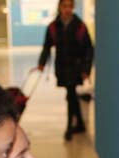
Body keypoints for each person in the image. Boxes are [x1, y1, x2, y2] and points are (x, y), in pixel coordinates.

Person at [38, 0, 94, 141]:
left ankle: (69, 127)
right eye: (64, 6)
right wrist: (41, 63)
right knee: (71, 94)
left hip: (76, 67)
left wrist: (86, 69)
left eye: (70, 6)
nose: (67, 9)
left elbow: (88, 49)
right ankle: (80, 123)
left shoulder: (79, 26)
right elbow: (47, 46)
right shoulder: (53, 27)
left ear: (73, 8)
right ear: (60, 7)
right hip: (62, 67)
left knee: (70, 94)